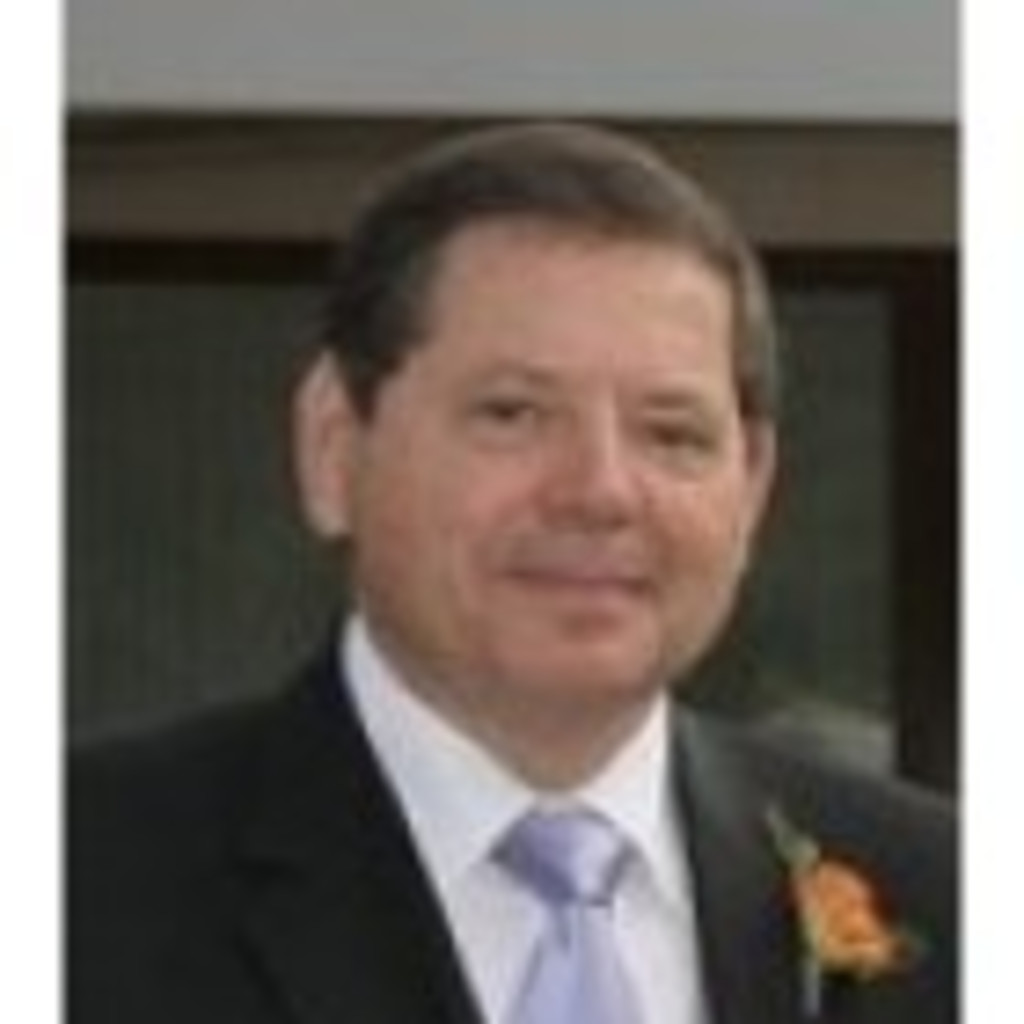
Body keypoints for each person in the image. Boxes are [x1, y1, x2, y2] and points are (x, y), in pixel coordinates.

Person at [68, 122, 956, 1024]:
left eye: (671, 434)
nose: (601, 492)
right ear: (334, 447)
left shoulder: (949, 901)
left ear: (753, 486)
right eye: (513, 414)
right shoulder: (77, 883)